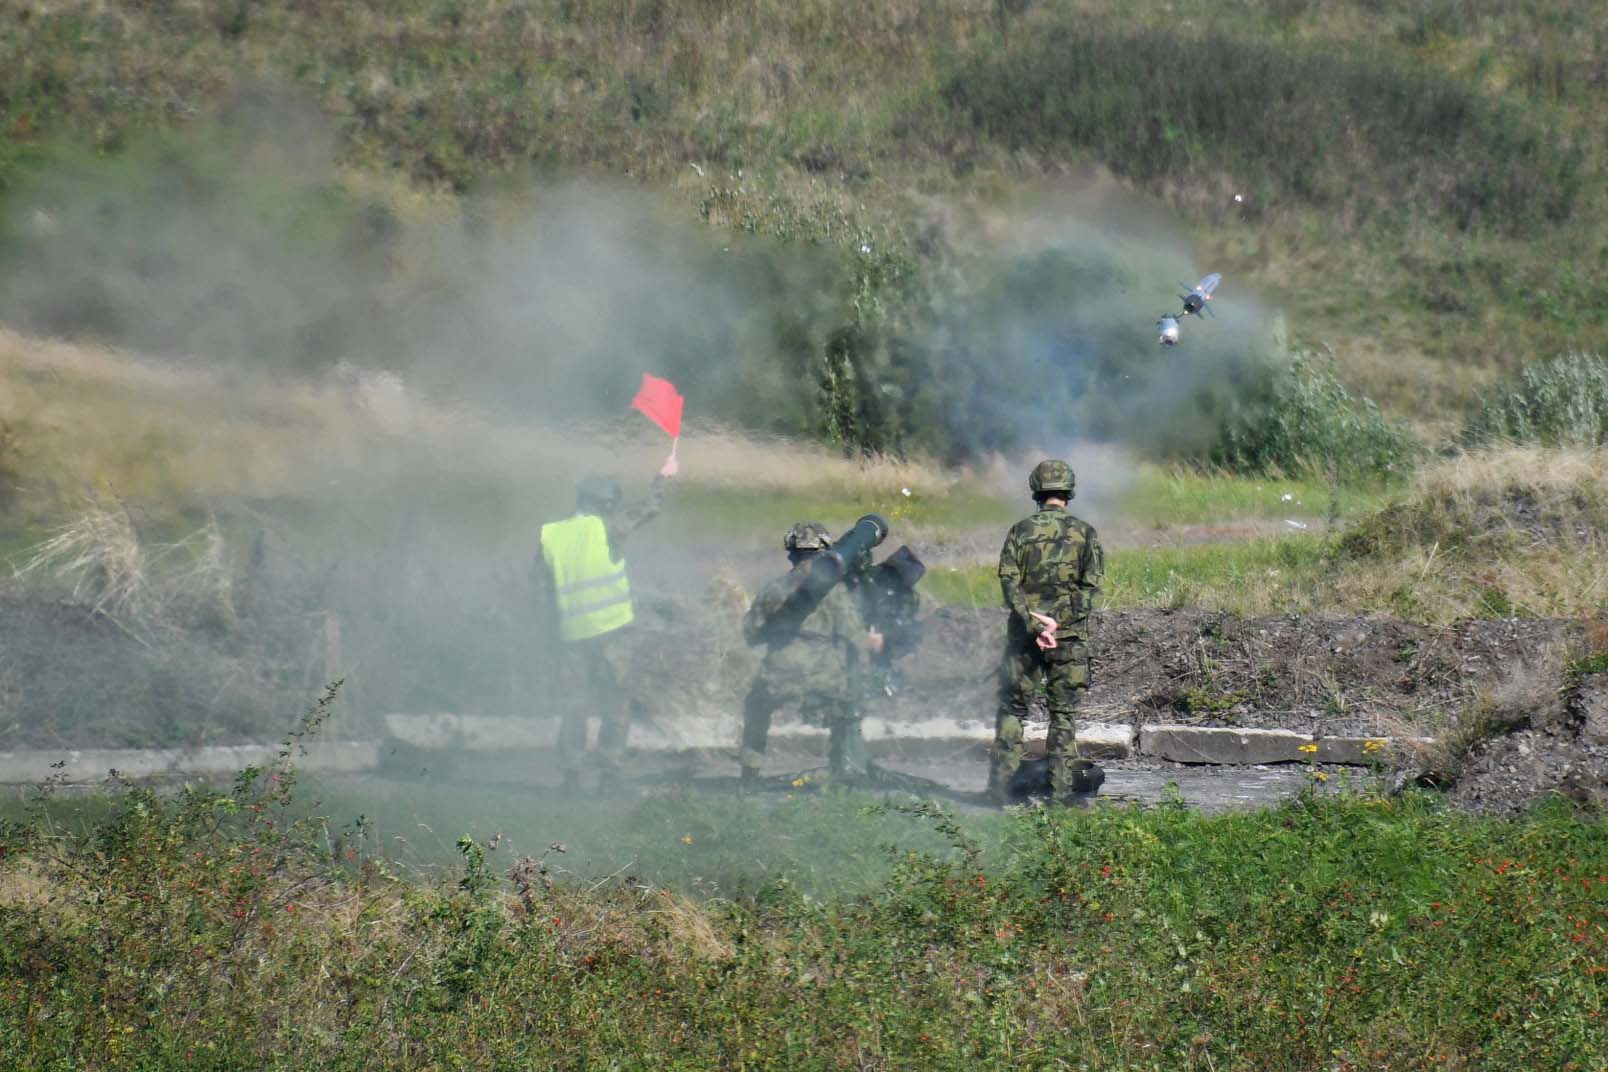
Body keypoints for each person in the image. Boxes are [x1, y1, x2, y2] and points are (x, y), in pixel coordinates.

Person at [537, 449, 677, 792]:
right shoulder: (609, 525)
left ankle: (571, 776)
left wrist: (550, 632)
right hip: (613, 632)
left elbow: (540, 589)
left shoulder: (551, 534)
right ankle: (609, 774)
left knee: (575, 705)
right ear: (606, 503)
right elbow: (649, 509)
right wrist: (663, 477)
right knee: (616, 703)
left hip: (571, 634)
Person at [989, 459, 1105, 806]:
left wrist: (1035, 624)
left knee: (1012, 711)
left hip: (1025, 639)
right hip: (1067, 640)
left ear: (1036, 490)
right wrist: (1057, 623)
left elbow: (1009, 583)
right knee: (1063, 717)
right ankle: (1059, 796)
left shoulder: (1019, 531)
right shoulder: (1085, 533)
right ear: (1068, 491)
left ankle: (999, 795)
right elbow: (1090, 590)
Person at [740, 522, 884, 784]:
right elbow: (854, 635)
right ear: (824, 553)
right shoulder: (835, 592)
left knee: (756, 708)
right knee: (849, 705)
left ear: (791, 553)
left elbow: (751, 634)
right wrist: (874, 641)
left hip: (779, 672)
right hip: (824, 675)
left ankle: (749, 775)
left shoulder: (773, 589)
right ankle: (844, 767)